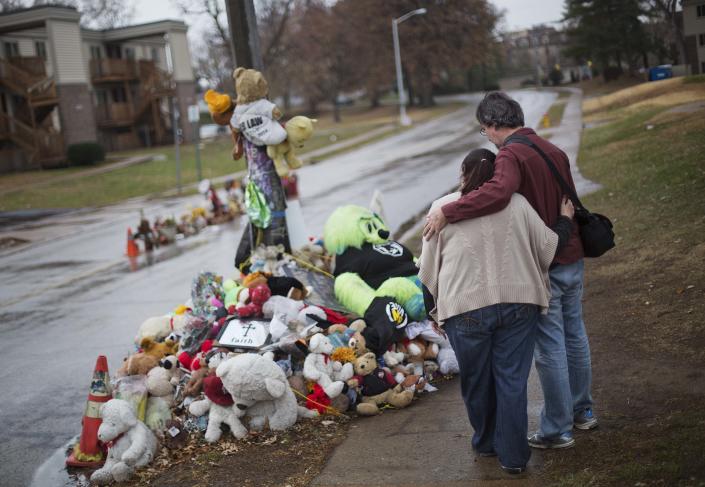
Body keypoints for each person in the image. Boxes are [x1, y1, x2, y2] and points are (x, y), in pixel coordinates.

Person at [423, 91, 597, 450]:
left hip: (543, 261)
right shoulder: (553, 150)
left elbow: (498, 194)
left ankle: (558, 428)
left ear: (493, 125)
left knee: (549, 347)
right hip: (572, 255)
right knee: (575, 336)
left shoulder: (510, 154)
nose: (487, 137)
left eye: (484, 131)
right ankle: (584, 411)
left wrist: (448, 211)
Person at [418, 148, 575, 474]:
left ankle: (486, 443)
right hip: (519, 304)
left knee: (476, 380)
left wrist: (433, 311)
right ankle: (515, 458)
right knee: (512, 381)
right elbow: (549, 247)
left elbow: (428, 270)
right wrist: (565, 221)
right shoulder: (517, 204)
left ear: (463, 174)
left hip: (465, 311)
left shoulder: (441, 210)